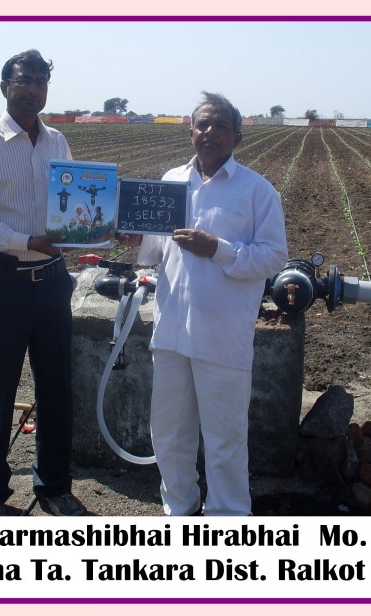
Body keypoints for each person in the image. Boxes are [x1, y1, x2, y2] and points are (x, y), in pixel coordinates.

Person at [118, 92, 288, 516]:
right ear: (191, 132)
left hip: (222, 335)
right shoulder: (172, 180)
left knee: (224, 437)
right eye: (202, 125)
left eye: (220, 126)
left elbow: (273, 257)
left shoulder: (257, 191)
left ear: (238, 137)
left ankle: (227, 516)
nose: (210, 132)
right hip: (172, 330)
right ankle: (180, 507)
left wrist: (218, 249)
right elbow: (155, 250)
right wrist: (137, 238)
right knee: (169, 431)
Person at [0, 49, 84, 517]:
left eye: (40, 81)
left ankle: (54, 487)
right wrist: (26, 242)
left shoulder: (57, 143)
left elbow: (71, 206)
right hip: (4, 285)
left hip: (52, 284)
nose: (32, 88)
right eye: (24, 79)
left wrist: (89, 233)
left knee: (56, 389)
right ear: (5, 86)